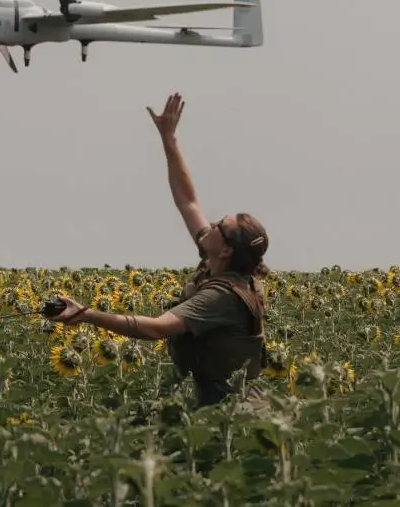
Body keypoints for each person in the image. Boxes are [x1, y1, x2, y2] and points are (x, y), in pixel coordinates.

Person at [48, 92, 271, 407]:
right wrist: (169, 138)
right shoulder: (217, 259)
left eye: (220, 225)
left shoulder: (222, 295)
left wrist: (86, 315)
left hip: (231, 413)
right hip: (216, 402)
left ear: (226, 251)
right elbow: (188, 200)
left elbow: (157, 328)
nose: (212, 224)